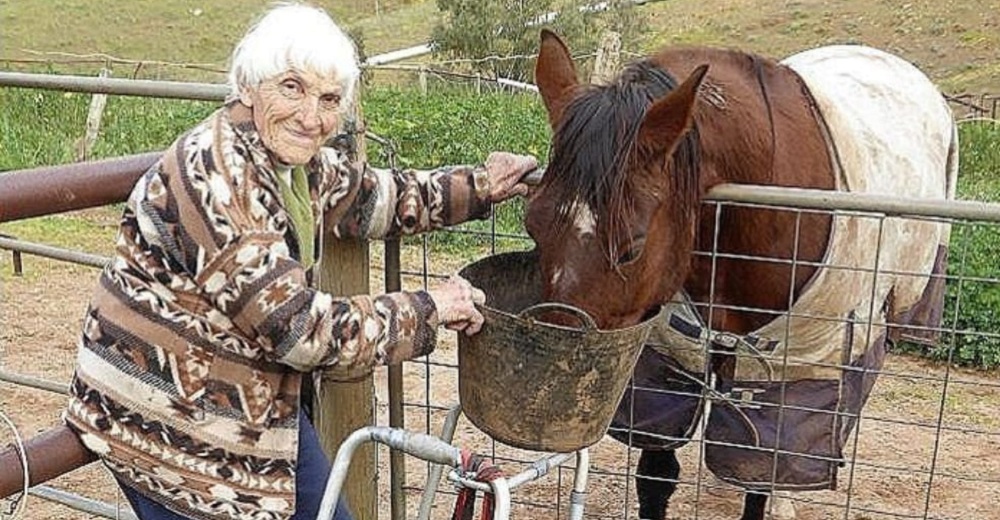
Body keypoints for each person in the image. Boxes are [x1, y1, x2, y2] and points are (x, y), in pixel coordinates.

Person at [62, 3, 537, 520]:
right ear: (248, 86)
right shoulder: (218, 176)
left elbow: (372, 196)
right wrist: (431, 307)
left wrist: (482, 185)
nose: (312, 117)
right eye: (292, 87)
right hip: (168, 419)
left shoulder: (293, 163)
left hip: (248, 401)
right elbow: (297, 329)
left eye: (329, 99)